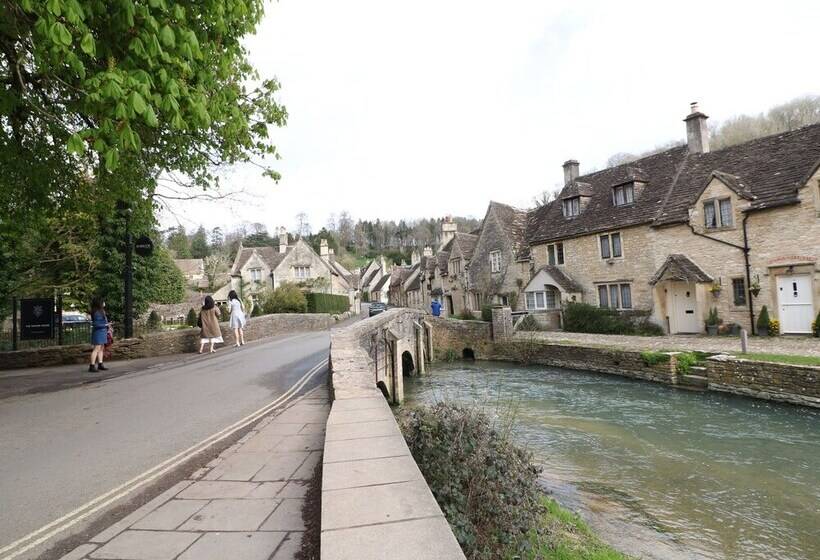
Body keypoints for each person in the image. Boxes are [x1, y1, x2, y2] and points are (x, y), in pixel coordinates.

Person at [89, 297, 110, 372]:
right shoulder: (97, 312)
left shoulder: (101, 311)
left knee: (101, 348)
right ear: (99, 303)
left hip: (102, 331)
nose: (104, 303)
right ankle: (92, 365)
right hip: (99, 332)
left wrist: (106, 325)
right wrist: (106, 325)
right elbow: (97, 324)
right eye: (103, 302)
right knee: (96, 349)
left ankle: (100, 364)